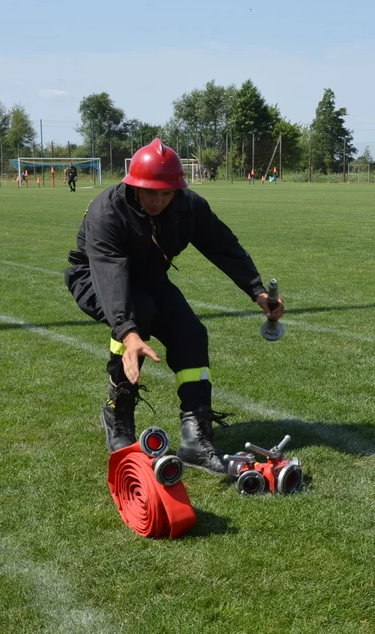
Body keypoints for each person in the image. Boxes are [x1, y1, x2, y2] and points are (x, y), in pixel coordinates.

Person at [64, 139, 284, 473]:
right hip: (93, 277)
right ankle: (117, 412)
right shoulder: (106, 212)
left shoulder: (187, 205)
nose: (158, 201)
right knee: (140, 315)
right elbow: (110, 273)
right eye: (151, 193)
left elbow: (223, 245)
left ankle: (195, 437)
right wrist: (129, 333)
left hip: (149, 277)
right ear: (133, 185)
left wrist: (257, 291)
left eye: (166, 194)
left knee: (191, 334)